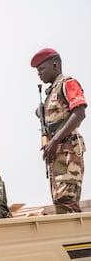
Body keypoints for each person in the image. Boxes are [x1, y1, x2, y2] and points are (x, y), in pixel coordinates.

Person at [31, 48, 87, 214]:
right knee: (60, 203)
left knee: (67, 202)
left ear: (55, 65)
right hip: (56, 155)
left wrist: (54, 141)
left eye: (41, 69)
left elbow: (79, 113)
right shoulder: (51, 93)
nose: (39, 74)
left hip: (68, 152)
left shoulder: (68, 83)